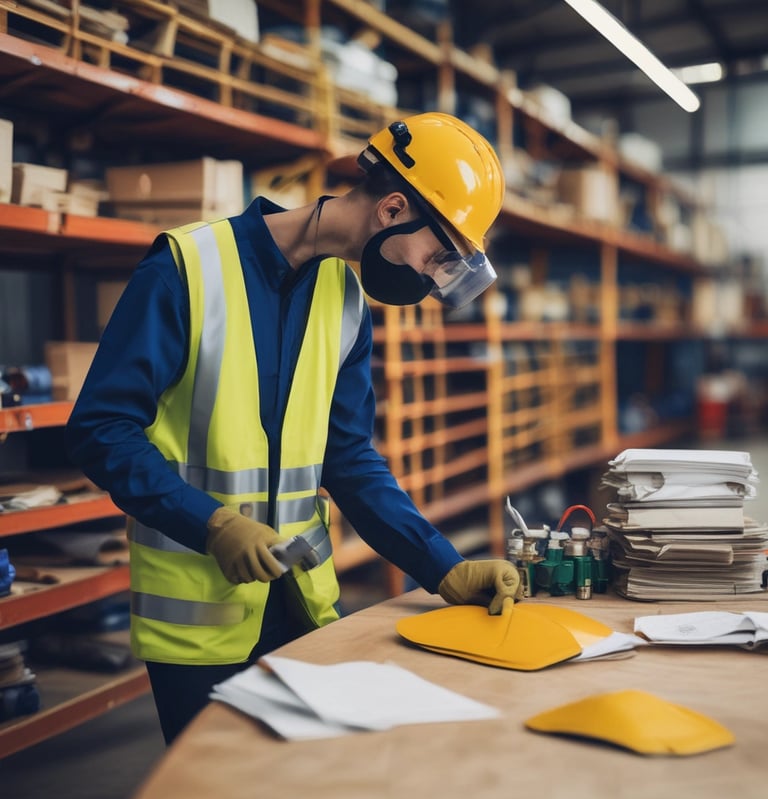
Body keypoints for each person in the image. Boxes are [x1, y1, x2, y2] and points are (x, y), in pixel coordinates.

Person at [66, 112, 521, 745]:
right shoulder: (186, 267)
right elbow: (101, 429)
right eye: (438, 255)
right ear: (393, 209)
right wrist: (212, 523)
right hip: (199, 620)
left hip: (304, 608)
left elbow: (351, 460)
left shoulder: (346, 299)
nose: (428, 276)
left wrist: (441, 566)